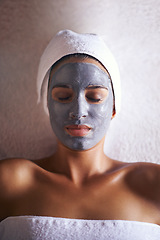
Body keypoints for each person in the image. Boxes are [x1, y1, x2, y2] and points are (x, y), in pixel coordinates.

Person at [0, 30, 160, 239]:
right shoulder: (10, 182)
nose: (78, 111)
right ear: (48, 103)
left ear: (114, 106)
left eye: (95, 97)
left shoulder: (153, 185)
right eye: (63, 96)